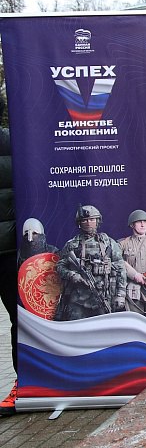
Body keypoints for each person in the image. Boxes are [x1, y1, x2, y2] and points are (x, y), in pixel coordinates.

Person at [54, 205, 127, 321]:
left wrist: (120, 295)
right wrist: (72, 275)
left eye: (92, 219)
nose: (88, 223)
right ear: (79, 223)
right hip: (78, 301)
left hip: (103, 297)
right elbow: (59, 266)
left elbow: (120, 269)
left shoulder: (108, 243)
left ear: (97, 221)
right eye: (85, 220)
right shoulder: (72, 244)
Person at [0, 98, 17, 416]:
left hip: (8, 250)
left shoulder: (14, 143)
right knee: (20, 322)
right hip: (8, 251)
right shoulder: (15, 141)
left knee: (21, 321)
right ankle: (23, 383)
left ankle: (23, 385)